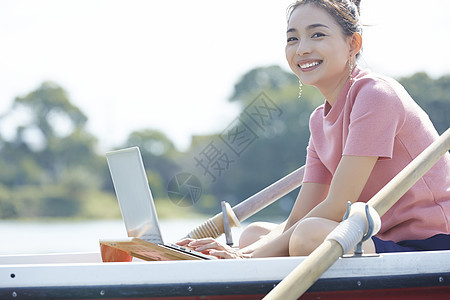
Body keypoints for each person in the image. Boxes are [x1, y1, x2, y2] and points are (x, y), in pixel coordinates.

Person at [177, 0, 450, 258]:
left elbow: (336, 206)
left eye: (317, 35)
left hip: (429, 243)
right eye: (292, 38)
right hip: (377, 236)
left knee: (308, 236)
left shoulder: (376, 94)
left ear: (353, 43)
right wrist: (244, 251)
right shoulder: (318, 120)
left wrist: (241, 257)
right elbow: (301, 215)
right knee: (253, 233)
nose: (302, 49)